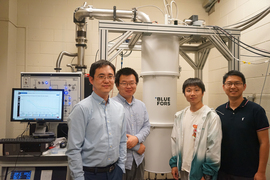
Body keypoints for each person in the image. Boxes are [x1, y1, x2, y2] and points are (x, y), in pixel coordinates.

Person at [66, 60, 127, 180]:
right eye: (101, 76)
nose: (106, 80)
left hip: (115, 172)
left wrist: (121, 166)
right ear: (91, 80)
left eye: (110, 76)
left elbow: (122, 141)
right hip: (90, 174)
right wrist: (78, 177)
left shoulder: (119, 108)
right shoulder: (81, 109)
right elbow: (73, 149)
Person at [216, 70, 269, 180]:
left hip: (248, 173)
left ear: (244, 86)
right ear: (223, 87)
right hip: (222, 172)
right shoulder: (219, 111)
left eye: (237, 83)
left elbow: (264, 142)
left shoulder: (256, 110)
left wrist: (261, 172)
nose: (233, 86)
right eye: (229, 83)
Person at [169, 78, 222, 180]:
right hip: (183, 169)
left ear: (203, 93)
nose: (192, 93)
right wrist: (174, 164)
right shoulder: (179, 116)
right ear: (184, 94)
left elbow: (214, 148)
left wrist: (207, 175)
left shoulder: (211, 117)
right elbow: (174, 141)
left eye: (196, 90)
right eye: (188, 90)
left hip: (201, 172)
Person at [112, 67, 150, 180]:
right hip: (119, 162)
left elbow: (147, 126)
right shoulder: (110, 105)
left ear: (136, 84)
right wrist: (137, 146)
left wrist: (136, 139)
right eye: (124, 83)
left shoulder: (141, 105)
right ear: (117, 85)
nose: (129, 86)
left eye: (132, 83)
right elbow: (111, 133)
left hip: (139, 160)